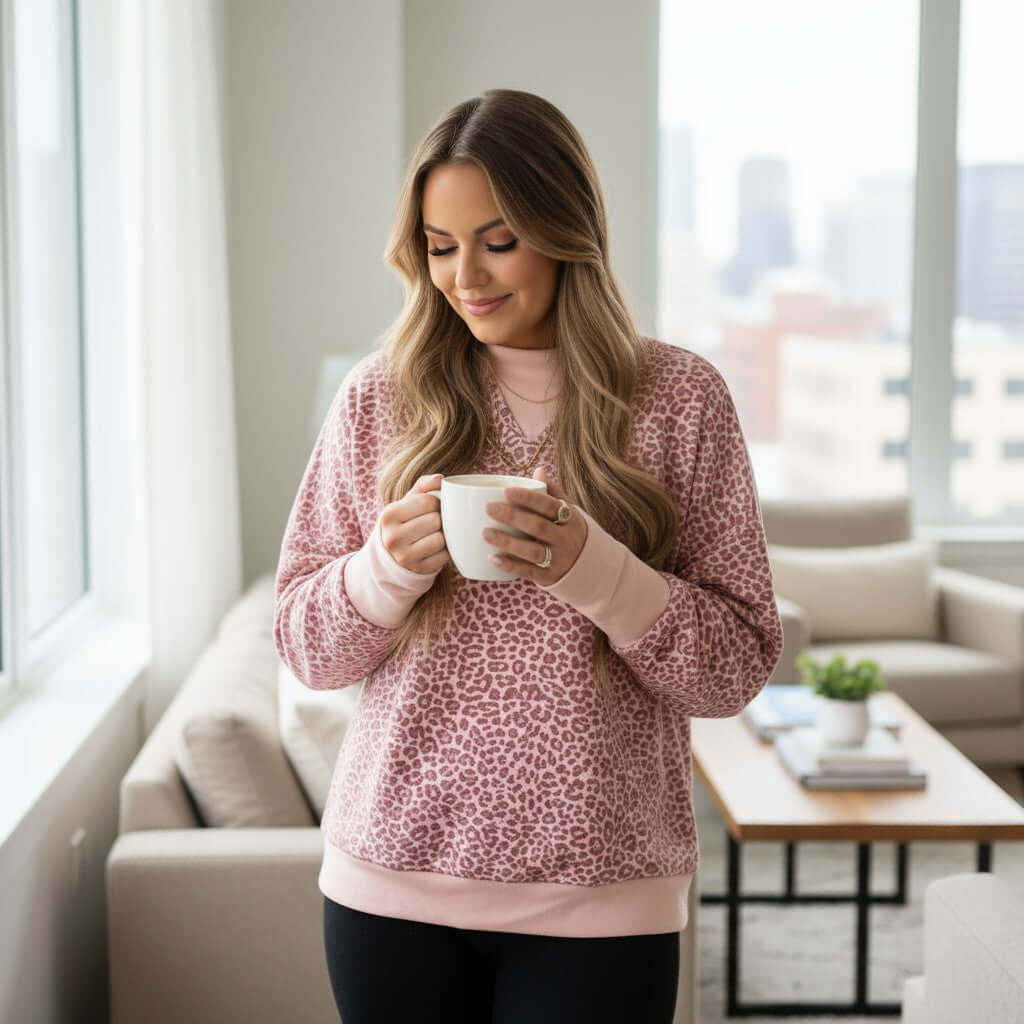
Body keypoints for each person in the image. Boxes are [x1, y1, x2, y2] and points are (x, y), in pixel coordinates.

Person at [274, 88, 784, 1024]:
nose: (464, 275)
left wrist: (596, 569)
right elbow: (306, 647)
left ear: (565, 228)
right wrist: (381, 571)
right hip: (390, 883)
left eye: (497, 239)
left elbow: (735, 668)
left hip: (604, 892)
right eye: (439, 245)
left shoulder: (679, 398)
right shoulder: (379, 396)